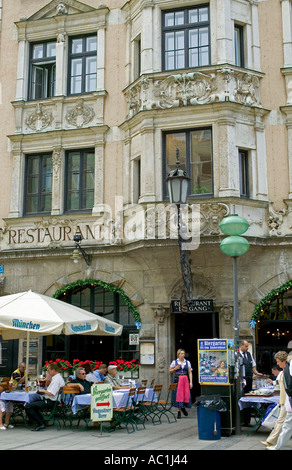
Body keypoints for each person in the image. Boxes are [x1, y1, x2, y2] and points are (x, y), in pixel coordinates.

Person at [24, 362, 65, 431]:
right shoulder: (58, 378)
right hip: (53, 400)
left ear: (53, 370)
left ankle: (39, 423)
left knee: (28, 406)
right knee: (33, 404)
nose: (47, 372)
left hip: (51, 401)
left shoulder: (56, 379)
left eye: (48, 370)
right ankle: (42, 421)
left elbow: (51, 393)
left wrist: (42, 391)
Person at [261, 351, 288, 447]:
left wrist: (282, 400)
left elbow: (286, 389)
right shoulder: (284, 372)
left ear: (283, 361)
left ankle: (272, 441)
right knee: (282, 423)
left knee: (282, 422)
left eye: (278, 361)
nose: (277, 363)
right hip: (285, 401)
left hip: (287, 401)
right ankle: (271, 441)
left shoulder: (286, 371)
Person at [267, 354, 292, 450]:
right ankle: (277, 446)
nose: (277, 364)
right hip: (287, 400)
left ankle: (277, 446)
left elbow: (288, 388)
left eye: (278, 361)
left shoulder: (288, 368)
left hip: (289, 401)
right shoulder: (286, 370)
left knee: (286, 425)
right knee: (286, 425)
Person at [239, 340, 262, 427]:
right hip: (241, 380)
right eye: (246, 346)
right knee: (240, 398)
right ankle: (240, 420)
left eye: (248, 346)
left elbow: (253, 366)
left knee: (248, 398)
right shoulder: (236, 355)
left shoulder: (249, 355)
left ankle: (247, 421)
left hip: (249, 379)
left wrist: (257, 373)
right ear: (241, 345)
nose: (247, 348)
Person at [169, 349, 193, 419]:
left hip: (185, 379)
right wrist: (175, 368)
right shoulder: (175, 362)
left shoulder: (187, 362)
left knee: (185, 395)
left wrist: (191, 382)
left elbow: (189, 372)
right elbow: (170, 371)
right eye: (181, 354)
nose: (183, 355)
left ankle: (183, 407)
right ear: (178, 354)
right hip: (178, 379)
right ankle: (179, 411)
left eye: (184, 354)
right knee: (178, 395)